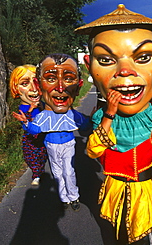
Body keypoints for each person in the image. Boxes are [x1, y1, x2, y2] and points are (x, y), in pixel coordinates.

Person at [75, 4, 152, 244]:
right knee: (115, 234)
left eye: (144, 58)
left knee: (138, 234)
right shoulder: (102, 119)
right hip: (116, 188)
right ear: (90, 67)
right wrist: (109, 115)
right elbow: (92, 150)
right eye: (106, 60)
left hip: (143, 188)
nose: (125, 71)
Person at [12, 53, 90, 211]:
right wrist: (26, 122)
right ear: (40, 86)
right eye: (50, 79)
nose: (60, 88)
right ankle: (63, 198)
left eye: (68, 79)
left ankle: (73, 197)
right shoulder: (43, 116)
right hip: (52, 145)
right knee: (57, 172)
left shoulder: (72, 114)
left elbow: (84, 126)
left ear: (78, 87)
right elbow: (36, 129)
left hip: (68, 144)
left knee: (68, 171)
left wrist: (95, 119)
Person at [9, 65, 48, 186]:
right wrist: (31, 109)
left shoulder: (41, 103)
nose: (33, 88)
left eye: (36, 81)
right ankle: (36, 174)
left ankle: (43, 171)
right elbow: (25, 120)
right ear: (16, 89)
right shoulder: (24, 107)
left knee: (43, 155)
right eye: (25, 83)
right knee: (32, 157)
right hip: (31, 139)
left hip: (43, 135)